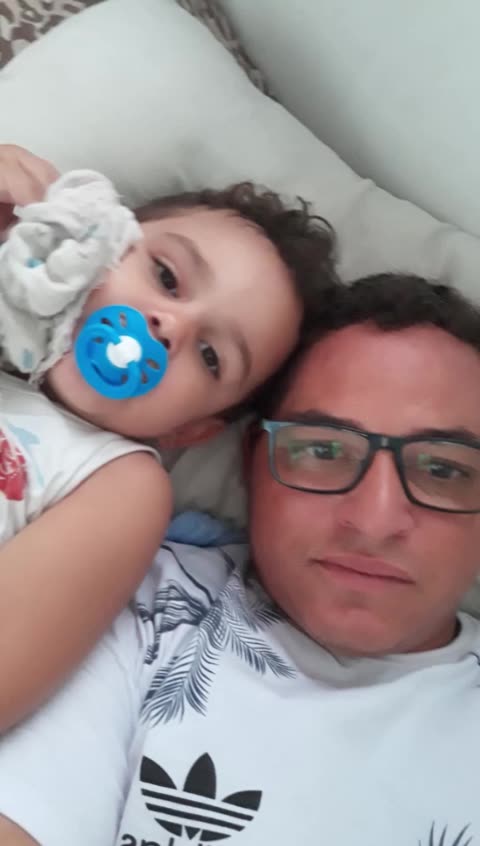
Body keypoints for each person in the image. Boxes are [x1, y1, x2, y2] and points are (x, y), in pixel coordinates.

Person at [3, 271, 480, 846]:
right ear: (253, 462)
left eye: (443, 469)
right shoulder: (135, 602)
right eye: (323, 449)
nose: (375, 522)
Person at [0, 145, 338, 733]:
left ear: (191, 429)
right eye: (166, 276)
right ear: (96, 233)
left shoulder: (118, 480)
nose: (169, 326)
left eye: (210, 356)